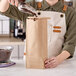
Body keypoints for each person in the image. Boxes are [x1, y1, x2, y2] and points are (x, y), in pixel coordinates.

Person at [0, 0, 76, 68]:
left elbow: (70, 44)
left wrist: (58, 60)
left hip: (58, 65)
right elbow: (4, 10)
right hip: (32, 63)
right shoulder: (30, 6)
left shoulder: (70, 13)